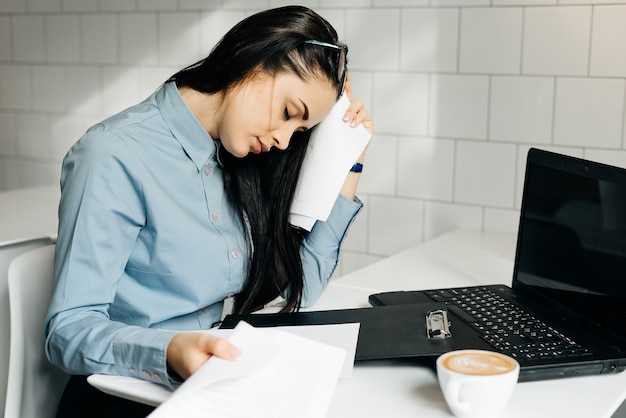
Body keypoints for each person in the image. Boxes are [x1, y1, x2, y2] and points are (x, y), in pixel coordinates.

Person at [45, 5, 373, 417]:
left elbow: (300, 291)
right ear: (253, 61)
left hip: (207, 390)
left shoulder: (243, 161)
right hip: (125, 398)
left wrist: (349, 160)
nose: (286, 140)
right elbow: (67, 331)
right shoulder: (114, 153)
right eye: (289, 113)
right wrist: (170, 350)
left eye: (302, 131)